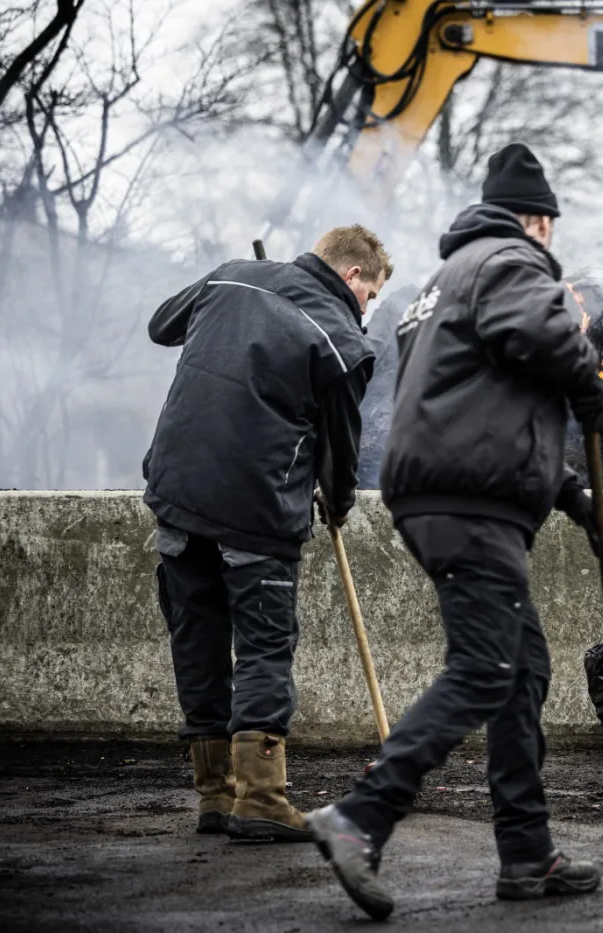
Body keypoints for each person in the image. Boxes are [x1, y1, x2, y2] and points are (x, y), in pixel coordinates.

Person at [307, 143, 603, 919]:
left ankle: (526, 854)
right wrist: (589, 384)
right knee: (484, 668)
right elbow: (548, 343)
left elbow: (479, 407)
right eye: (548, 225)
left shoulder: (441, 282)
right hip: (468, 501)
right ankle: (361, 816)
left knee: (520, 669)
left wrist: (574, 496)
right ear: (538, 219)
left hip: (447, 491)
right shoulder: (512, 259)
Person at [144, 225, 390, 840]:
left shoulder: (230, 275)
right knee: (262, 647)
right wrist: (336, 504)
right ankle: (260, 800)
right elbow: (341, 452)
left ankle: (213, 797)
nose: (368, 310)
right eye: (372, 296)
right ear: (353, 276)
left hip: (177, 490)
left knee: (195, 637)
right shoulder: (342, 343)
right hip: (257, 506)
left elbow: (161, 326)